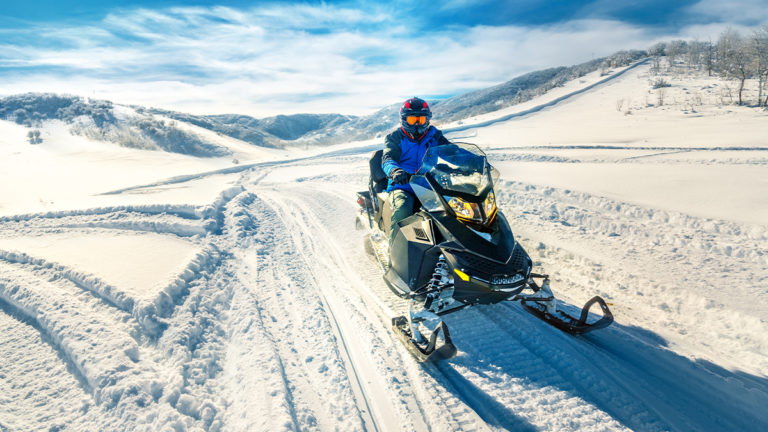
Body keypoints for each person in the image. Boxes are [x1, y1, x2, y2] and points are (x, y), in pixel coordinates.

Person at [381, 97, 451, 245]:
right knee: (403, 209)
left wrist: (475, 163)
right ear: (404, 120)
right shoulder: (395, 137)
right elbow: (388, 159)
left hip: (429, 184)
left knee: (453, 208)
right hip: (402, 185)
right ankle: (394, 249)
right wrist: (395, 171)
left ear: (428, 119)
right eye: (413, 120)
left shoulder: (434, 136)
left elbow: (453, 153)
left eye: (421, 119)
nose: (417, 124)